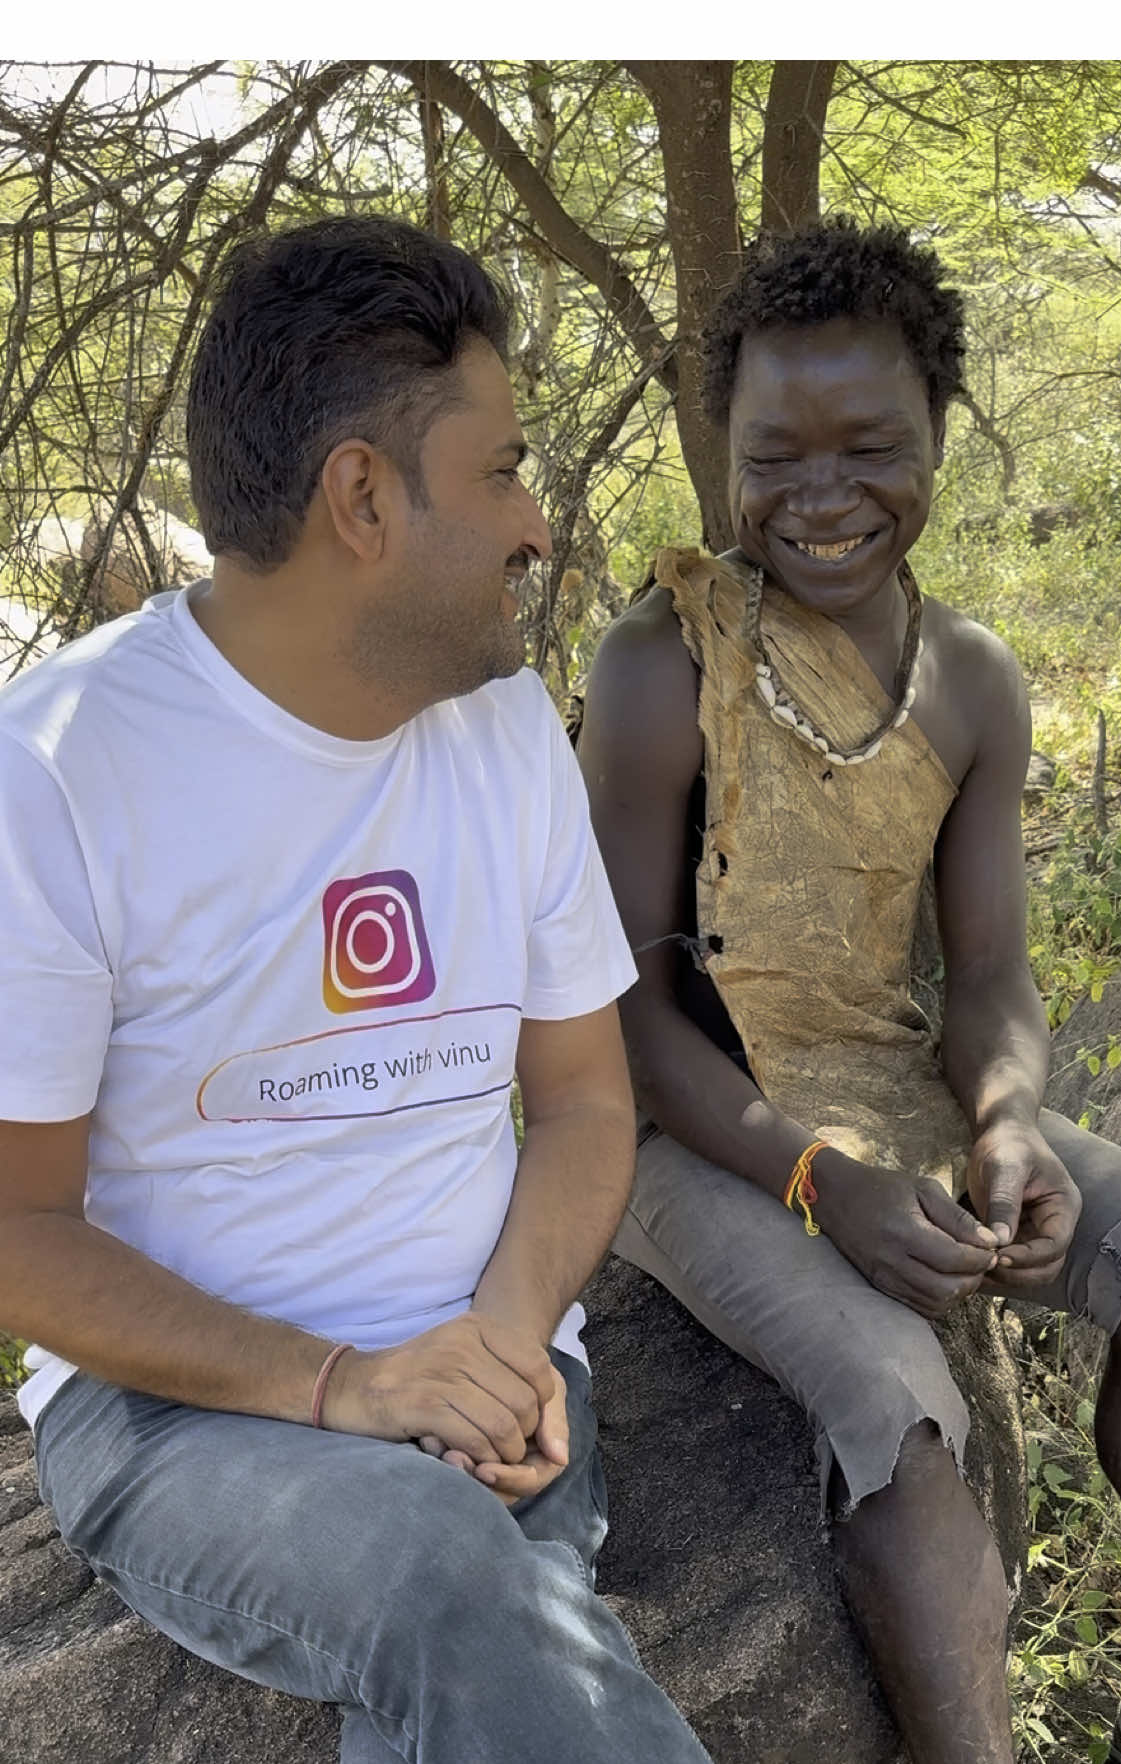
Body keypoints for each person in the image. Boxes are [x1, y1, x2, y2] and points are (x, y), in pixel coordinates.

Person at [0, 216, 712, 1764]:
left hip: (499, 1377)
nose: (539, 524)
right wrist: (338, 1385)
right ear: (363, 497)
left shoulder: (509, 731)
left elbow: (585, 1101)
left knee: (466, 1660)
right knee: (446, 1579)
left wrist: (506, 1344)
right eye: (505, 470)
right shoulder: (57, 772)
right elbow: (13, 1229)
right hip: (183, 1417)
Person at [576, 217, 1121, 1764]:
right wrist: (826, 1184)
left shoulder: (973, 679)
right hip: (687, 1131)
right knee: (896, 1396)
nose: (820, 495)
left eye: (869, 445)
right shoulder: (658, 669)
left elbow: (991, 971)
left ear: (936, 434)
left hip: (889, 1077)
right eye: (772, 454)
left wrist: (1005, 1122)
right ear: (717, 449)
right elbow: (618, 1015)